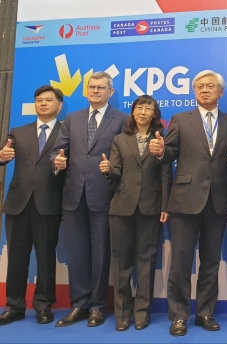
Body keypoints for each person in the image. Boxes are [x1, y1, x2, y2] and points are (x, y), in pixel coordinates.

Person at [148, 70, 227, 337]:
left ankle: (205, 313)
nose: (204, 90)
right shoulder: (180, 119)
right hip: (186, 200)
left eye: (210, 86)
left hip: (218, 201)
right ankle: (179, 316)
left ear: (220, 92)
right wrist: (161, 151)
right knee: (180, 261)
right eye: (199, 86)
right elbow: (170, 153)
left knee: (211, 261)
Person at [51, 72, 128, 327]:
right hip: (73, 195)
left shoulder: (122, 120)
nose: (95, 91)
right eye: (91, 87)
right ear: (86, 91)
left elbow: (126, 157)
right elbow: (58, 150)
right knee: (76, 253)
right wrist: (57, 161)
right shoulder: (71, 119)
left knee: (101, 252)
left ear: (111, 92)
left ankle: (97, 306)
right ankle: (79, 305)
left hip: (105, 194)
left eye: (101, 87)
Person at [98, 95, 172, 331]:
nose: (142, 112)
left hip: (151, 207)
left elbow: (165, 174)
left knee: (146, 262)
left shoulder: (161, 139)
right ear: (132, 112)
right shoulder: (120, 139)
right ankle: (122, 314)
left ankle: (142, 313)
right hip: (122, 207)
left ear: (154, 113)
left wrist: (165, 205)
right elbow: (116, 171)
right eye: (138, 107)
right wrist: (108, 170)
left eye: (148, 108)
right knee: (121, 263)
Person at [0, 86, 65, 326]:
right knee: (16, 257)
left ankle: (43, 306)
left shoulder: (66, 132)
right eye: (39, 100)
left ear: (59, 105)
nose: (43, 103)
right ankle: (14, 306)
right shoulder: (18, 131)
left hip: (48, 203)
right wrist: (1, 157)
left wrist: (60, 166)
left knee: (46, 257)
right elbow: (4, 154)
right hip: (18, 203)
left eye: (49, 100)